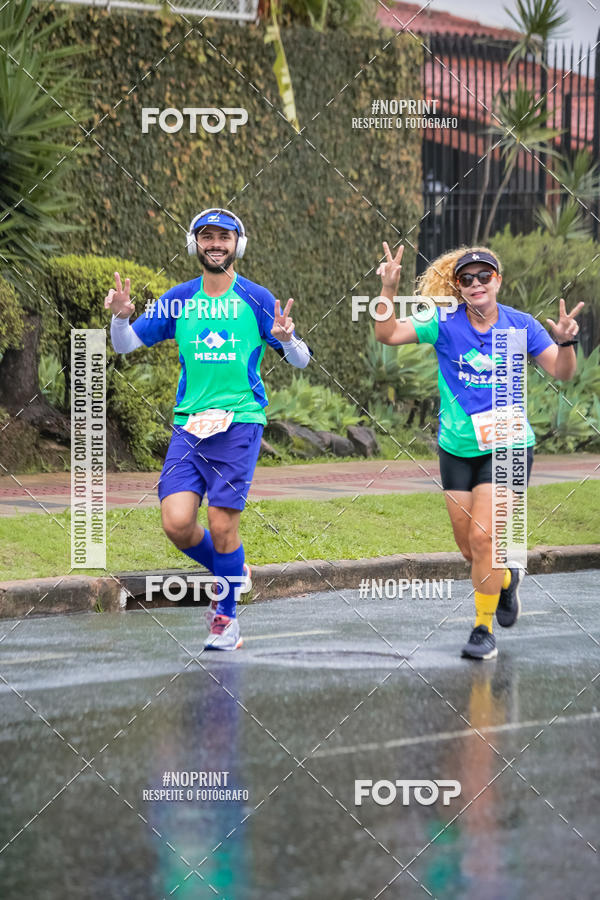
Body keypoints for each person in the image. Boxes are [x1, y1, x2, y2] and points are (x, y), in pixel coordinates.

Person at [105, 208, 311, 650]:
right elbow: (124, 345)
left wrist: (288, 338)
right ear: (194, 243)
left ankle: (226, 619)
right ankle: (233, 572)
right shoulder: (179, 298)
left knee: (221, 524)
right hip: (189, 427)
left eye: (224, 236)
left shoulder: (255, 298)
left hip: (239, 423)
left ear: (239, 243)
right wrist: (121, 318)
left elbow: (301, 360)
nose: (215, 243)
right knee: (177, 523)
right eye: (207, 236)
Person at [374, 242, 583, 660]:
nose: (475, 284)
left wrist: (564, 343)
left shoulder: (521, 325)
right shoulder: (444, 322)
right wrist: (388, 290)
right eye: (466, 279)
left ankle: (482, 630)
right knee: (470, 547)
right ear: (458, 286)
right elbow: (388, 333)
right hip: (456, 448)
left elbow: (561, 372)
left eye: (484, 276)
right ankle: (506, 580)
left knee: (484, 538)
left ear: (497, 280)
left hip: (507, 444)